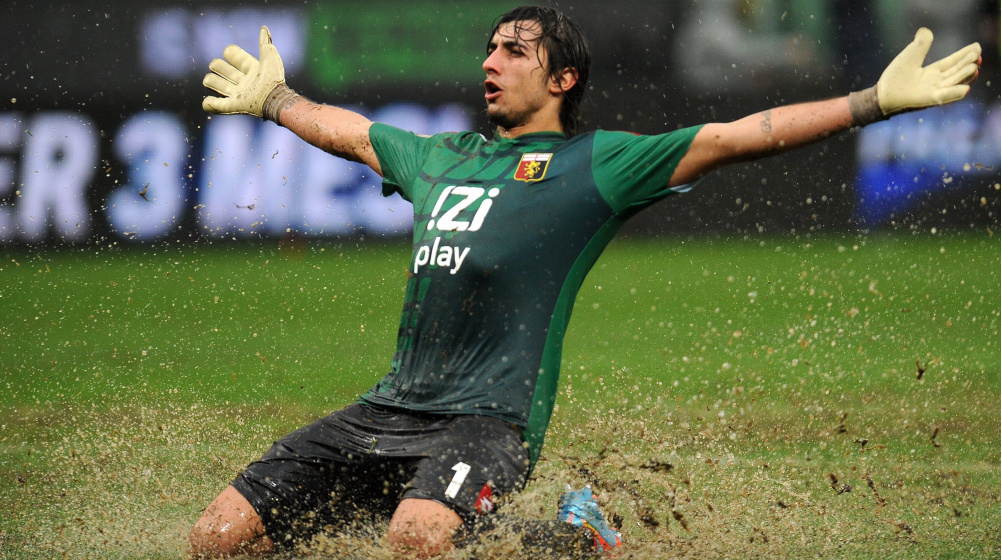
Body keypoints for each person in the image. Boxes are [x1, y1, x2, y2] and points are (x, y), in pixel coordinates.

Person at [188, 5, 981, 559]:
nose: (490, 62)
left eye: (515, 51)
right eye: (490, 48)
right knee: (216, 539)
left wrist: (872, 102)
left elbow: (736, 136)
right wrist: (277, 100)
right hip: (387, 409)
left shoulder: (595, 164)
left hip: (486, 423)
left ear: (563, 79)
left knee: (416, 539)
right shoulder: (441, 157)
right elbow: (356, 135)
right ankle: (565, 542)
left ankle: (568, 542)